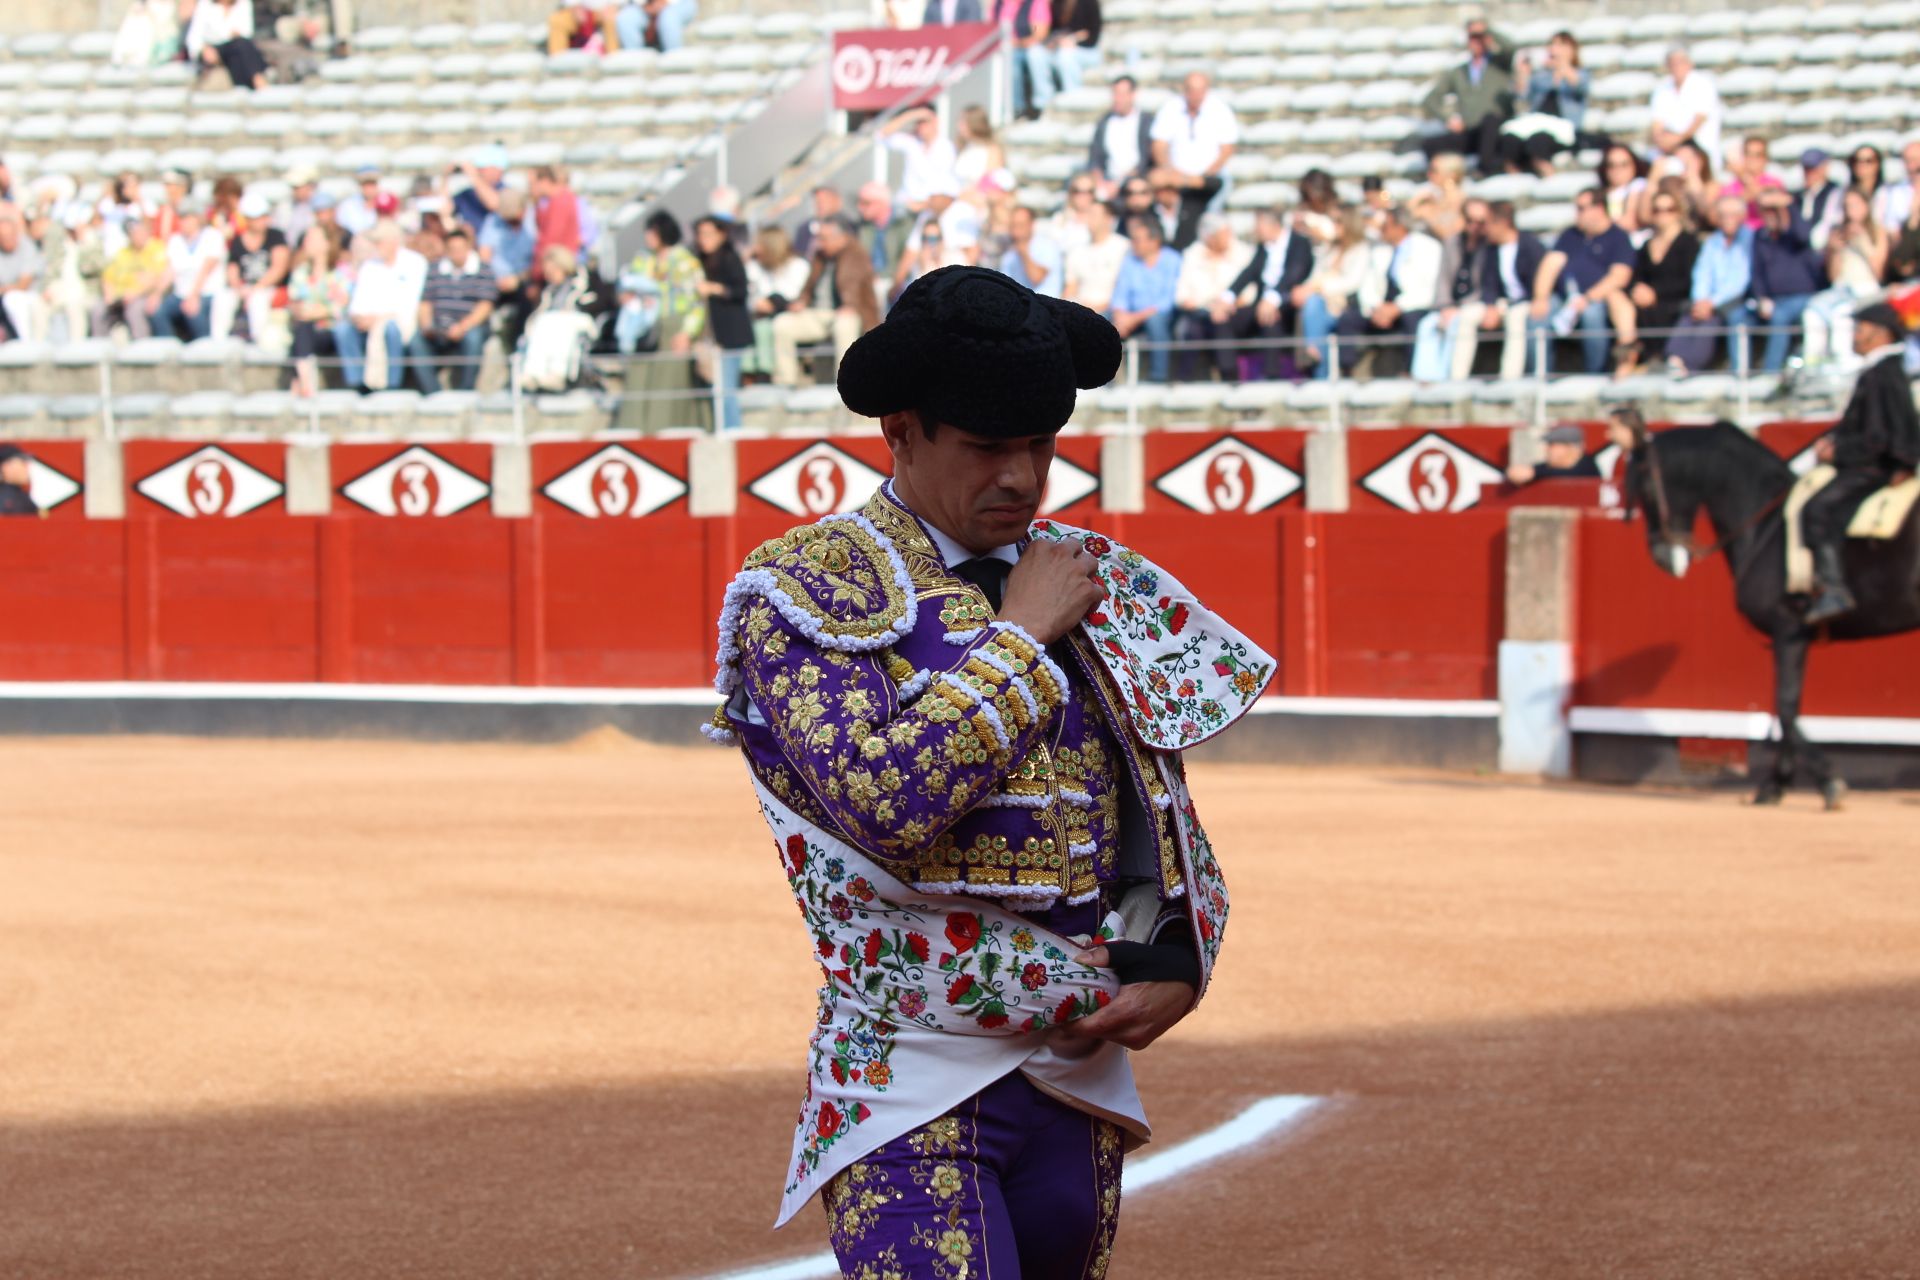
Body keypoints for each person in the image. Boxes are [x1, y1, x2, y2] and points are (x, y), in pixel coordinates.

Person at [716, 262, 1252, 1280]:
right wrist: (1021, 635)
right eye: (988, 447)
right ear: (903, 430)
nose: (1022, 477)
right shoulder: (803, 587)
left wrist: (1178, 950)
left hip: (1074, 1071)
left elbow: (1149, 806)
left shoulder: (1079, 572)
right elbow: (886, 800)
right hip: (905, 1072)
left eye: (1042, 447)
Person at [1800, 303, 1920, 623]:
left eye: (1861, 328)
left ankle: (1834, 588)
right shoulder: (1885, 371)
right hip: (1881, 462)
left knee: (1817, 509)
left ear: (1880, 334)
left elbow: (1877, 438)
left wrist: (1837, 454)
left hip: (1872, 467)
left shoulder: (1880, 374)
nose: (1856, 335)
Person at [1528, 188, 1636, 374]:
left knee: (1591, 314)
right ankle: (1539, 375)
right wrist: (1540, 297)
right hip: (1564, 298)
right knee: (1537, 317)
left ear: (1599, 208)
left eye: (1581, 208)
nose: (1577, 213)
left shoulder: (1618, 237)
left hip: (1597, 298)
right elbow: (1551, 264)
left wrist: (1587, 298)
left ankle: (1595, 373)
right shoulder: (1570, 235)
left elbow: (1619, 276)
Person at [773, 214, 879, 386]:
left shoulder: (856, 254)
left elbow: (854, 285)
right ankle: (787, 380)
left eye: (823, 238)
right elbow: (808, 287)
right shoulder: (820, 256)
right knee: (782, 323)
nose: (819, 243)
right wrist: (802, 302)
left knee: (845, 324)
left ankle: (846, 384)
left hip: (849, 313)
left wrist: (850, 305)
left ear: (840, 237)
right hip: (818, 313)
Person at [1338, 204, 1442, 378]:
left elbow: (1427, 289)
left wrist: (1397, 308)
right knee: (1348, 319)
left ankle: (1410, 372)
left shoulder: (1428, 247)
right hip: (1381, 309)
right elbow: (1369, 285)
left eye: (1385, 226)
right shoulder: (1379, 249)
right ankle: (1347, 370)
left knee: (1414, 321)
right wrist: (1376, 308)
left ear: (1399, 226)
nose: (1381, 231)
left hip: (1410, 306)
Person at [1664, 195, 1753, 375]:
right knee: (1691, 315)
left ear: (1742, 216)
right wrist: (1701, 299)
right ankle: (1675, 358)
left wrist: (1712, 302)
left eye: (1732, 215)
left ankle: (1694, 365)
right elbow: (1702, 272)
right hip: (1709, 299)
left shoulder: (1749, 240)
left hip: (1737, 298)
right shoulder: (1713, 242)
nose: (1727, 219)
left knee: (1720, 319)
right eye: (1723, 215)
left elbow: (1740, 279)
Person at [1220, 206, 1311, 381]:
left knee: (1270, 317)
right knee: (1224, 318)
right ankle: (1229, 375)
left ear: (1272, 225)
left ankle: (1271, 376)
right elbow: (1249, 272)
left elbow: (1295, 273)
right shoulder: (1263, 248)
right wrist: (1227, 297)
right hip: (1261, 304)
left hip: (1286, 305)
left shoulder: (1299, 243)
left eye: (1258, 225)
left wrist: (1272, 299)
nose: (1255, 230)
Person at [1803, 187, 1889, 370]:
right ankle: (1813, 364)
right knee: (1812, 313)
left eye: (1855, 204)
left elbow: (1879, 273)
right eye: (1847, 205)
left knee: (1841, 315)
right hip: (1842, 289)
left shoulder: (1877, 231)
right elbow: (1834, 276)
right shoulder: (1838, 232)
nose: (1851, 210)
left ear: (1866, 206)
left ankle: (1844, 364)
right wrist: (1834, 251)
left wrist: (1862, 242)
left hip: (1867, 289)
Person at [335, 219, 426, 391]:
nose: (376, 246)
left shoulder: (415, 263)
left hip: (398, 321)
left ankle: (392, 385)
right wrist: (359, 317)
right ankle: (357, 384)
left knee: (391, 329)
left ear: (394, 242)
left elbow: (408, 304)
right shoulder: (370, 266)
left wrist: (376, 318)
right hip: (369, 321)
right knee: (343, 329)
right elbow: (358, 303)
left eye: (379, 241)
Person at [1736, 190, 1821, 374]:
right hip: (1772, 299)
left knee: (1779, 316)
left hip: (1801, 297)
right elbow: (1756, 272)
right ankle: (1739, 375)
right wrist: (1761, 299)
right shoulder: (1760, 236)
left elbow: (1803, 235)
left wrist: (1787, 205)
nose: (1770, 214)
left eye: (1774, 210)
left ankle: (1770, 373)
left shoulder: (1795, 234)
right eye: (1766, 210)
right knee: (1738, 317)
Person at [1419, 18, 1517, 175]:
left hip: (1496, 129)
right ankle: (1445, 179)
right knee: (1430, 144)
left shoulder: (1499, 64)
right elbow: (1430, 100)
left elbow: (1511, 48)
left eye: (1480, 37)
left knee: (1490, 121)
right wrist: (1449, 118)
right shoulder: (1459, 72)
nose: (1476, 42)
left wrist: (1489, 31)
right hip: (1471, 131)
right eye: (1473, 37)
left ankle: (1485, 170)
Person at [1618, 188, 1700, 376]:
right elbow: (1636, 275)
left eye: (1668, 209)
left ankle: (1663, 358)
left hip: (1675, 298)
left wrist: (1655, 293)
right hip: (1647, 300)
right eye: (1657, 210)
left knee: (1660, 309)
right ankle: (1630, 360)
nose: (1662, 215)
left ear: (1678, 212)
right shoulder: (1647, 244)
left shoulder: (1688, 243)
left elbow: (1688, 280)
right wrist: (1639, 289)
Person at [407, 226, 497, 394]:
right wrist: (427, 326)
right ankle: (432, 393)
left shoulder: (483, 269)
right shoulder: (435, 269)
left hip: (468, 327)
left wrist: (463, 326)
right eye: (452, 249)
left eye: (460, 249)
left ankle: (466, 390)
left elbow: (485, 305)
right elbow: (425, 302)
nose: (457, 253)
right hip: (440, 327)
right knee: (416, 340)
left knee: (474, 337)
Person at [1410, 198, 1492, 382]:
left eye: (1480, 222)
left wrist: (1458, 308)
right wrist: (1445, 306)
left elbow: (1486, 285)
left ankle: (1453, 379)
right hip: (1449, 305)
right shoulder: (1452, 243)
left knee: (1458, 324)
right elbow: (1443, 280)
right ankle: (1425, 378)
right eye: (1470, 220)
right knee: (1426, 326)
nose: (1474, 226)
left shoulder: (1489, 247)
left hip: (1472, 303)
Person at [1297, 205, 1376, 379]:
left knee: (1313, 306)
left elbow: (1353, 282)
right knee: (1312, 306)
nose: (1334, 225)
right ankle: (1315, 357)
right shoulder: (1329, 249)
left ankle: (1315, 356)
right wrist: (1305, 289)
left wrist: (1319, 288)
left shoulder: (1361, 249)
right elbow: (1314, 277)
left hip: (1347, 305)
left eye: (1338, 221)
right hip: (1324, 305)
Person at [1149, 73, 1236, 227]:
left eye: (1200, 90)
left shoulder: (1219, 110)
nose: (1195, 95)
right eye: (1191, 90)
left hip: (1209, 175)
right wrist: (1171, 171)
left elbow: (1226, 150)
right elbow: (1159, 146)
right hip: (1176, 175)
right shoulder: (1171, 108)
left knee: (1221, 184)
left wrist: (1203, 177)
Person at [1171, 212, 1251, 381]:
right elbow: (1182, 296)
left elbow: (1250, 293)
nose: (1229, 237)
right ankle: (1184, 381)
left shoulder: (1243, 252)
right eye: (1224, 234)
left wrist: (1222, 305)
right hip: (1201, 313)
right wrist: (1210, 304)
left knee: (1221, 322)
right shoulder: (1192, 254)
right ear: (1210, 237)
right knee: (1194, 329)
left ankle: (1229, 377)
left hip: (1234, 311)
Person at [1500, 31, 1588, 176]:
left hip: (1563, 127)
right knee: (1510, 138)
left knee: (1539, 140)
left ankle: (1546, 171)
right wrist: (1523, 73)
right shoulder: (1541, 76)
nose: (1554, 49)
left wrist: (1562, 65)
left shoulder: (1581, 73)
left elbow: (1579, 87)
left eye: (1561, 45)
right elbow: (1522, 96)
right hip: (1537, 121)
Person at [692, 215, 750, 429]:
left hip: (729, 336)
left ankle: (731, 432)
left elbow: (740, 291)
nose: (703, 239)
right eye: (700, 234)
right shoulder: (699, 260)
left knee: (727, 390)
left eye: (708, 234)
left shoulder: (729, 258)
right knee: (715, 389)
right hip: (710, 337)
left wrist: (714, 289)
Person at [1109, 214, 1181, 382]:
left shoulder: (1172, 260)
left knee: (1156, 321)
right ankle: (1105, 376)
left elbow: (1167, 301)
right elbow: (1120, 294)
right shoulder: (1129, 261)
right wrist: (1120, 315)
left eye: (1137, 240)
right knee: (1102, 321)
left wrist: (1134, 318)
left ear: (1154, 241)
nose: (1132, 243)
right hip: (1131, 316)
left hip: (1161, 316)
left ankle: (1158, 377)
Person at [286, 224, 349, 397]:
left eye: (313, 238)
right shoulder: (301, 272)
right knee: (303, 329)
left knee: (304, 330)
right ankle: (306, 383)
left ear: (327, 243)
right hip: (308, 329)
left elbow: (341, 307)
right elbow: (295, 306)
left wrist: (316, 312)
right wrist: (320, 310)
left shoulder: (340, 273)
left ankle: (300, 382)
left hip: (332, 330)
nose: (307, 242)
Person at [222, 192, 289, 344]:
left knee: (258, 300)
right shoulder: (238, 240)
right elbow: (232, 268)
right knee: (224, 298)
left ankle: (258, 342)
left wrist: (257, 287)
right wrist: (238, 287)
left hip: (269, 287)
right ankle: (220, 342)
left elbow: (279, 268)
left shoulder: (276, 236)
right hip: (245, 287)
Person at [746, 223, 810, 379]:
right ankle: (747, 372)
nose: (755, 249)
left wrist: (772, 303)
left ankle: (764, 373)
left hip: (788, 316)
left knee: (765, 328)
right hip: (759, 316)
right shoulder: (754, 266)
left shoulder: (798, 266)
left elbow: (793, 295)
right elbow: (749, 295)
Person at [153, 205, 225, 343]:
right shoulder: (176, 240)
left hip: (206, 292)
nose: (184, 222)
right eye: (182, 218)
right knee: (158, 311)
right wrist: (156, 294)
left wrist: (194, 295)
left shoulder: (212, 236)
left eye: (188, 218)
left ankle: (204, 348)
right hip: (180, 293)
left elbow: (207, 269)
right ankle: (168, 348)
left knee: (194, 312)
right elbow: (170, 270)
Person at [93, 215, 170, 340]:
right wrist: (109, 295)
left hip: (143, 295)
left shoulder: (156, 248)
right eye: (133, 234)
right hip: (120, 297)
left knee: (134, 310)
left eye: (139, 232)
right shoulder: (123, 253)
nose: (137, 236)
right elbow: (108, 276)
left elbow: (158, 277)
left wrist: (134, 293)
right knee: (99, 310)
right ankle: (100, 348)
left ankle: (141, 347)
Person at [1649, 45, 1721, 168]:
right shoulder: (1662, 89)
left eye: (1680, 62)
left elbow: (1699, 119)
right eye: (1673, 63)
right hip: (1671, 148)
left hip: (1699, 147)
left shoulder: (1703, 85)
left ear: (1689, 63)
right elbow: (1657, 124)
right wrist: (1662, 140)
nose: (1677, 67)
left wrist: (1677, 140)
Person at [882, 107, 961, 215]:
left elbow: (945, 184)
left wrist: (925, 204)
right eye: (918, 123)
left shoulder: (946, 147)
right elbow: (882, 135)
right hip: (907, 205)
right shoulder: (912, 142)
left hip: (933, 208)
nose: (921, 126)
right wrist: (912, 114)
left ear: (935, 121)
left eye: (925, 122)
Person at [1086, 76, 1152, 203]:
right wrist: (1099, 182)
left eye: (1122, 94)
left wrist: (1119, 183)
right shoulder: (1104, 123)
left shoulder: (1146, 122)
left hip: (1136, 180)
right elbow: (1095, 158)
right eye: (1115, 94)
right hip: (1107, 180)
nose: (1118, 99)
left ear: (1133, 95)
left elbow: (1146, 159)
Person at [1029, 0, 1100, 107]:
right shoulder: (1055, 3)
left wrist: (1074, 40)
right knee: (1035, 52)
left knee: (1066, 55)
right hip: (1060, 48)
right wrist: (1054, 41)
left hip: (1086, 50)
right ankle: (1043, 102)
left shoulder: (1089, 2)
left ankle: (1072, 99)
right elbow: (1050, 32)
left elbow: (1093, 37)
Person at [1063, 199, 1127, 315]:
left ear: (1109, 219)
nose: (1090, 219)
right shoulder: (1076, 251)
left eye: (1095, 215)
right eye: (1088, 214)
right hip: (1080, 309)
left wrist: (1098, 307)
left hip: (1110, 311)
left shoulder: (1124, 247)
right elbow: (1071, 287)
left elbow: (1123, 288)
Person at [185, 0, 267, 90]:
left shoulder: (243, 3)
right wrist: (203, 49)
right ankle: (258, 81)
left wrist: (231, 35)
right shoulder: (205, 4)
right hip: (213, 50)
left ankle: (251, 84)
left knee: (239, 48)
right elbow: (193, 37)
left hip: (236, 50)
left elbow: (247, 32)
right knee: (241, 48)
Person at [993, 0, 1052, 120]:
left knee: (1035, 55)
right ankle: (1016, 107)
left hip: (1027, 48)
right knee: (1010, 59)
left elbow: (1039, 33)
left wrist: (1017, 43)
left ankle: (1043, 104)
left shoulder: (1035, 3)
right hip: (1007, 50)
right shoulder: (998, 4)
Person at [1721, 135, 1785, 230]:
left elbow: (1766, 201)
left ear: (1766, 158)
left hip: (1765, 235)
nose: (1752, 159)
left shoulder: (1774, 182)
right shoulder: (1730, 186)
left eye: (1758, 155)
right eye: (1748, 154)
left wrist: (1745, 177)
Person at [999, 204, 1064, 297]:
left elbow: (1036, 278)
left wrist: (1024, 253)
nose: (1016, 231)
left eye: (1021, 225)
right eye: (1013, 225)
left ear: (1031, 224)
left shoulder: (1047, 246)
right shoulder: (1009, 252)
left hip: (1044, 305)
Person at [1508, 423, 1602, 484]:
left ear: (1571, 448)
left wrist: (1534, 473)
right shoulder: (1546, 468)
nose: (1546, 449)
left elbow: (1571, 474)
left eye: (1552, 445)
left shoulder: (1588, 467)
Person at [1597, 145, 1649, 241]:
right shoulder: (1602, 193)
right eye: (1611, 165)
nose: (1617, 170)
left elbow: (1629, 222)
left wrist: (1600, 223)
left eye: (1624, 165)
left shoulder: (1639, 185)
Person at [1797, 149, 1844, 253]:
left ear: (1825, 168)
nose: (1809, 173)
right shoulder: (1798, 196)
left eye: (1813, 169)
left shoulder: (1836, 194)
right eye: (1806, 169)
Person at [954, 106, 1007, 192]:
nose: (959, 126)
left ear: (975, 124)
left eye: (963, 122)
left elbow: (989, 183)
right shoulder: (965, 148)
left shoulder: (992, 149)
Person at [0, 445, 39, 515]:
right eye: (23, 462)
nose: (27, 466)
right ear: (6, 466)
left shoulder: (21, 496)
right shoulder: (10, 499)